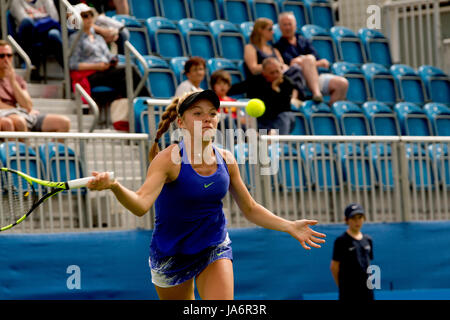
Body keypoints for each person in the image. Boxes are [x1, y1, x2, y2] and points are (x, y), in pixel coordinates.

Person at [86, 90, 326, 300]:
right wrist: (115, 186)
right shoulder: (168, 159)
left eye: (212, 113)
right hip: (172, 252)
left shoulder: (227, 159)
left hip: (214, 244)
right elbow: (140, 205)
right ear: (181, 122)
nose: (207, 119)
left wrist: (289, 226)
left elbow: (250, 208)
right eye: (197, 113)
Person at [68, 3, 149, 102]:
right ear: (78, 19)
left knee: (126, 78)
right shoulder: (75, 39)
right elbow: (73, 65)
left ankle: (135, 106)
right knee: (128, 71)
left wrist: (111, 61)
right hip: (90, 74)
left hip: (104, 71)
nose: (89, 18)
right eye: (85, 15)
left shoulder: (98, 37)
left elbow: (107, 56)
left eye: (90, 14)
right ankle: (145, 103)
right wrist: (97, 66)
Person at [275, 12, 348, 105]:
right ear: (280, 27)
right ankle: (316, 94)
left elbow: (320, 61)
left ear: (295, 25)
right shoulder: (278, 47)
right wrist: (308, 62)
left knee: (342, 84)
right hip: (297, 81)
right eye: (285, 25)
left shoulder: (303, 41)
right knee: (308, 59)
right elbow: (290, 65)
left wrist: (306, 62)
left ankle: (328, 112)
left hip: (314, 77)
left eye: (290, 24)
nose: (288, 27)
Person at [0, 40, 70, 132]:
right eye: (2, 56)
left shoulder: (17, 79)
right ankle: (26, 147)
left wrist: (13, 82)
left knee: (63, 122)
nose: (6, 59)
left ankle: (50, 147)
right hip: (9, 115)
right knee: (19, 121)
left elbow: (28, 105)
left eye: (9, 55)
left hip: (21, 114)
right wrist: (19, 110)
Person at [228, 57, 298, 135]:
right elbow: (236, 89)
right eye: (272, 73)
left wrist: (275, 89)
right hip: (259, 121)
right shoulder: (256, 81)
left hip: (278, 120)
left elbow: (282, 107)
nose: (275, 75)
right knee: (235, 121)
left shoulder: (287, 83)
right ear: (264, 73)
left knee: (286, 115)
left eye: (277, 71)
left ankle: (277, 143)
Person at [330, 203, 374, 301]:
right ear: (346, 220)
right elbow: (334, 267)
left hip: (367, 291)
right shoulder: (341, 241)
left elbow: (368, 264)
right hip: (349, 292)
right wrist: (342, 287)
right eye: (353, 218)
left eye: (360, 217)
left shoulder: (368, 240)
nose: (357, 221)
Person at [9, 0, 63, 78]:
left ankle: (68, 70)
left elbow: (55, 18)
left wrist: (34, 17)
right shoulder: (16, 2)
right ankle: (27, 62)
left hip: (45, 33)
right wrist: (45, 17)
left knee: (54, 34)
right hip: (27, 34)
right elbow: (23, 19)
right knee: (27, 23)